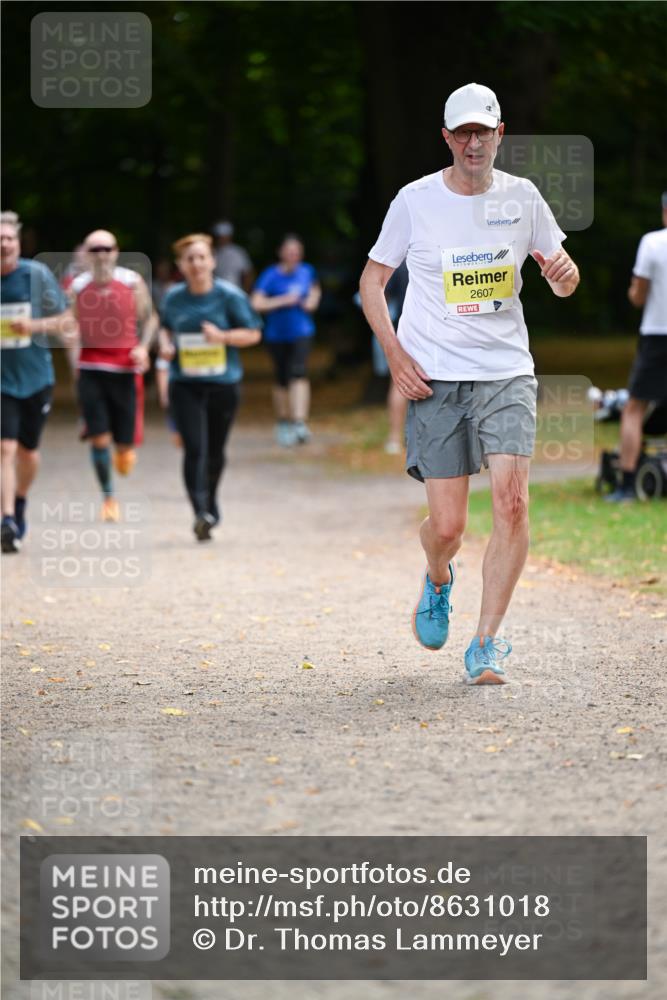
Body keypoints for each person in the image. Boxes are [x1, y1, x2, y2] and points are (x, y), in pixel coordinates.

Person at [360, 83, 579, 685]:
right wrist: (395, 352)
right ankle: (437, 577)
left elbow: (562, 278)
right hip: (436, 378)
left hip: (506, 369)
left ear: (500, 134)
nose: (474, 141)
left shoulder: (524, 198)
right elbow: (372, 281)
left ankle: (486, 642)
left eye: (484, 130)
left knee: (512, 501)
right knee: (449, 528)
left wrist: (565, 275)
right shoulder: (415, 200)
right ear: (448, 139)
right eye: (463, 132)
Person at [158, 233, 262, 541]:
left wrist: (224, 337)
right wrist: (165, 346)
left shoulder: (229, 295)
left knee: (215, 450)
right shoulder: (173, 297)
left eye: (202, 257)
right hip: (185, 385)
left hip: (223, 384)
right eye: (190, 258)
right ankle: (200, 512)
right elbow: (164, 328)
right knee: (194, 447)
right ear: (181, 264)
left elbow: (254, 333)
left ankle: (210, 501)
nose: (196, 263)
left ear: (212, 261)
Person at [68, 230, 157, 522]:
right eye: (95, 249)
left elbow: (151, 319)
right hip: (92, 369)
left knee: (124, 445)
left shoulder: (131, 282)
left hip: (124, 370)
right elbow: (69, 329)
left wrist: (143, 348)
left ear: (116, 251)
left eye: (107, 248)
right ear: (87, 254)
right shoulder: (78, 287)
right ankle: (108, 498)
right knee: (98, 438)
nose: (102, 254)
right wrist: (75, 367)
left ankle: (125, 451)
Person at [1, 210, 75, 552]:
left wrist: (34, 326)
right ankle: (7, 520)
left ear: (18, 243)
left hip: (35, 378)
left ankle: (19, 500)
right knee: (5, 448)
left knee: (28, 453)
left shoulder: (37, 274)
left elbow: (65, 319)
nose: (4, 244)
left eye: (9, 238)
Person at [606, 192, 667, 502]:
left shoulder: (652, 243)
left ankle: (628, 484)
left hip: (657, 334)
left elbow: (639, 296)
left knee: (634, 407)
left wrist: (633, 292)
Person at [251, 234, 321, 446]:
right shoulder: (270, 275)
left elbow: (315, 291)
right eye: (290, 251)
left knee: (299, 372)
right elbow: (255, 303)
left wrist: (312, 302)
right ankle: (283, 421)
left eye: (297, 252)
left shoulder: (307, 271)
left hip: (302, 331)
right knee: (281, 378)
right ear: (281, 253)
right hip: (276, 334)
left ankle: (300, 422)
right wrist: (282, 301)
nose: (294, 255)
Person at [212, 221, 254, 293]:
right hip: (216, 293)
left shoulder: (238, 252)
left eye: (223, 235)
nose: (221, 238)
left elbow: (248, 274)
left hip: (235, 292)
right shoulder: (212, 252)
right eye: (219, 236)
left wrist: (245, 293)